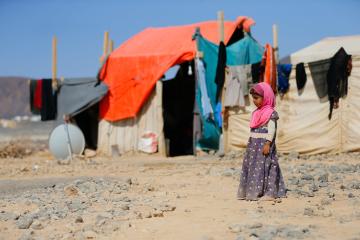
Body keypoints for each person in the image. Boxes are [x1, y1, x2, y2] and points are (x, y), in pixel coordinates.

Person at [237, 82, 286, 201]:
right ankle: (253, 191)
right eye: (253, 98)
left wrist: (268, 143)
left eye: (256, 98)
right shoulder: (256, 113)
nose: (254, 101)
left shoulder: (270, 113)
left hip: (264, 145)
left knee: (267, 166)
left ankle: (269, 192)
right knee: (253, 167)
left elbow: (271, 130)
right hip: (253, 146)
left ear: (266, 97)